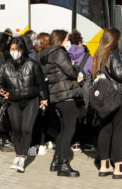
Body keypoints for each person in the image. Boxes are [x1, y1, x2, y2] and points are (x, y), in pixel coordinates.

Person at [0, 37, 47, 173]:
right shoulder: (4, 66)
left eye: (16, 49)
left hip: (31, 100)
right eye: (12, 49)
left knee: (27, 129)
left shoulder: (32, 64)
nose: (14, 52)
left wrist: (43, 98)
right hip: (13, 101)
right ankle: (18, 154)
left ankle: (22, 157)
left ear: (22, 49)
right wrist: (0, 90)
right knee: (16, 130)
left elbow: (41, 83)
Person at [93, 27, 122, 179]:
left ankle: (104, 164)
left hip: (104, 97)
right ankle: (119, 166)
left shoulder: (98, 54)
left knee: (105, 128)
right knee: (120, 130)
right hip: (117, 95)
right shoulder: (112, 53)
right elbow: (120, 74)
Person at [39, 29, 83, 177]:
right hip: (65, 94)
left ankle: (56, 160)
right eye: (67, 39)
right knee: (69, 129)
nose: (68, 42)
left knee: (63, 129)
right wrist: (75, 68)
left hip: (55, 95)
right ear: (62, 40)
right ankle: (63, 164)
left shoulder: (46, 54)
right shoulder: (59, 52)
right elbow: (70, 72)